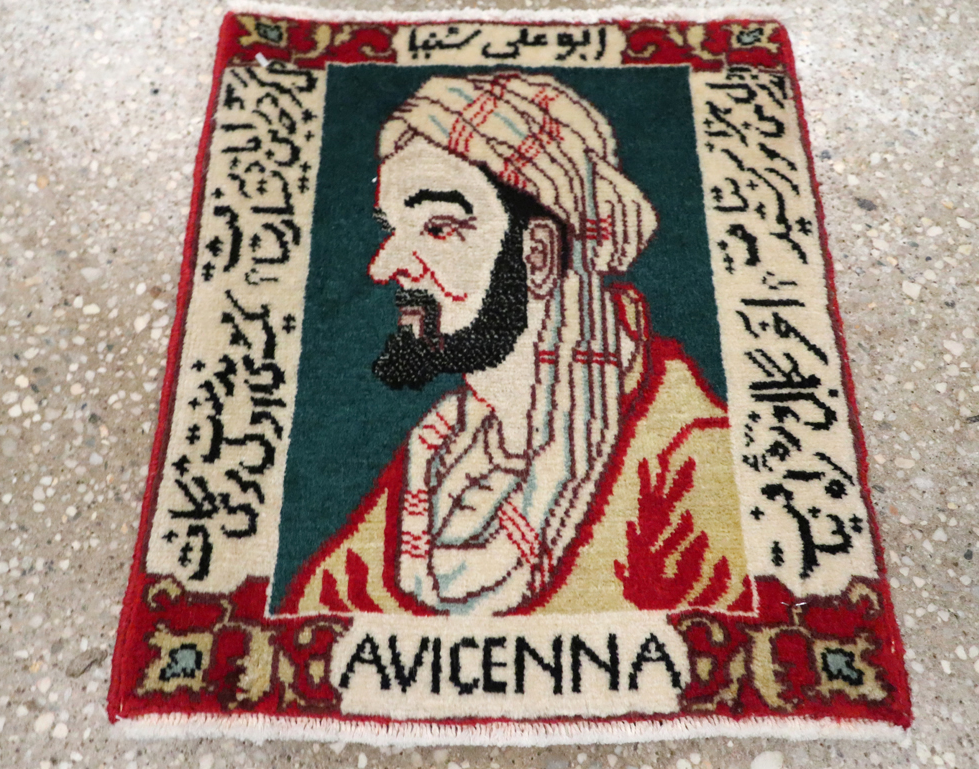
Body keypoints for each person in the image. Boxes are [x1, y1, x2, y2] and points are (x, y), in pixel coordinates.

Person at [280, 71, 747, 616]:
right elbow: (321, 612)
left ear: (539, 255)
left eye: (437, 228)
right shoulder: (444, 452)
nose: (384, 267)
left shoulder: (691, 459)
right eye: (392, 229)